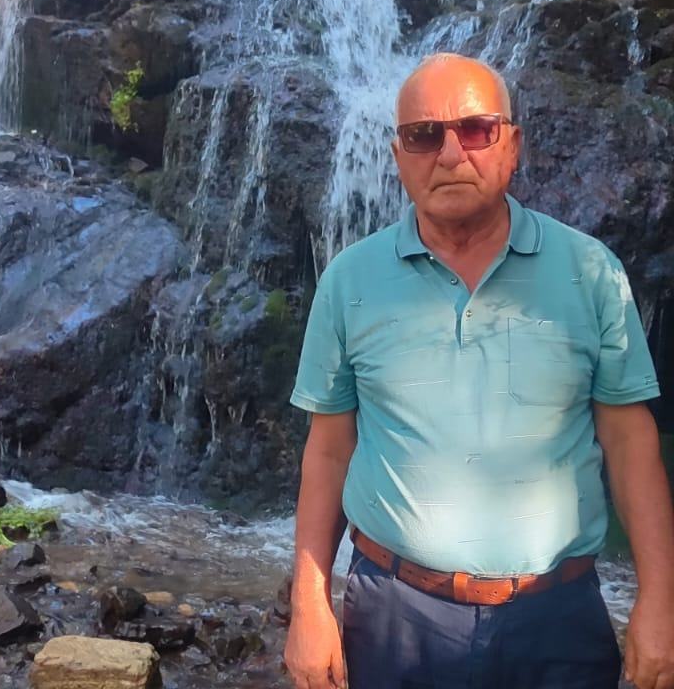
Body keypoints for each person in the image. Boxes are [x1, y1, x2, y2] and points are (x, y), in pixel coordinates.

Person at [283, 52, 674, 689]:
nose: (450, 153)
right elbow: (327, 454)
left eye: (475, 130)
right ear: (398, 156)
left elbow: (631, 444)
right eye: (423, 135)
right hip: (394, 616)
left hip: (559, 618)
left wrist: (661, 600)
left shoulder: (592, 272)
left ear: (512, 145)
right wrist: (309, 606)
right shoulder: (348, 281)